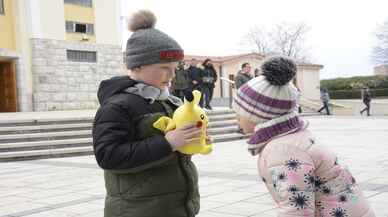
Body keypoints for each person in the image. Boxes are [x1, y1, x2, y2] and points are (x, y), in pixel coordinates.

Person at [232, 56, 375, 217]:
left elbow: (296, 209)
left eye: (238, 114)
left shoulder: (283, 150)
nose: (235, 119)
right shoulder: (292, 138)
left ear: (259, 115)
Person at [92, 10, 202, 217]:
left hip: (173, 207)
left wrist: (190, 142)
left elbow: (172, 150)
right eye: (164, 67)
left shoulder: (167, 101)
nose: (171, 75)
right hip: (137, 210)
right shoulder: (117, 106)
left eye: (175, 68)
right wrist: (168, 143)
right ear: (137, 65)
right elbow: (108, 156)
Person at [234, 62, 253, 133]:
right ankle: (240, 128)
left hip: (250, 98)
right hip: (242, 98)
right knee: (241, 114)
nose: (250, 68)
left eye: (250, 67)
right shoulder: (239, 76)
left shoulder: (251, 76)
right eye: (248, 67)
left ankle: (246, 128)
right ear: (243, 68)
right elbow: (239, 87)